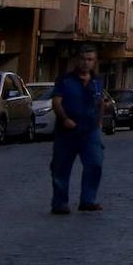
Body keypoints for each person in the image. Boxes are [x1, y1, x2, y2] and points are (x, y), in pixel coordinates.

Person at [49, 44, 105, 215]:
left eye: (90, 59)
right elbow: (56, 102)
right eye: (83, 59)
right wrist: (64, 119)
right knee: (61, 168)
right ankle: (60, 203)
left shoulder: (97, 81)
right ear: (76, 60)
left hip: (90, 131)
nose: (86, 63)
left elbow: (101, 101)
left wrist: (100, 122)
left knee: (95, 163)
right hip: (67, 132)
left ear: (95, 62)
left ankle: (88, 200)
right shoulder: (65, 80)